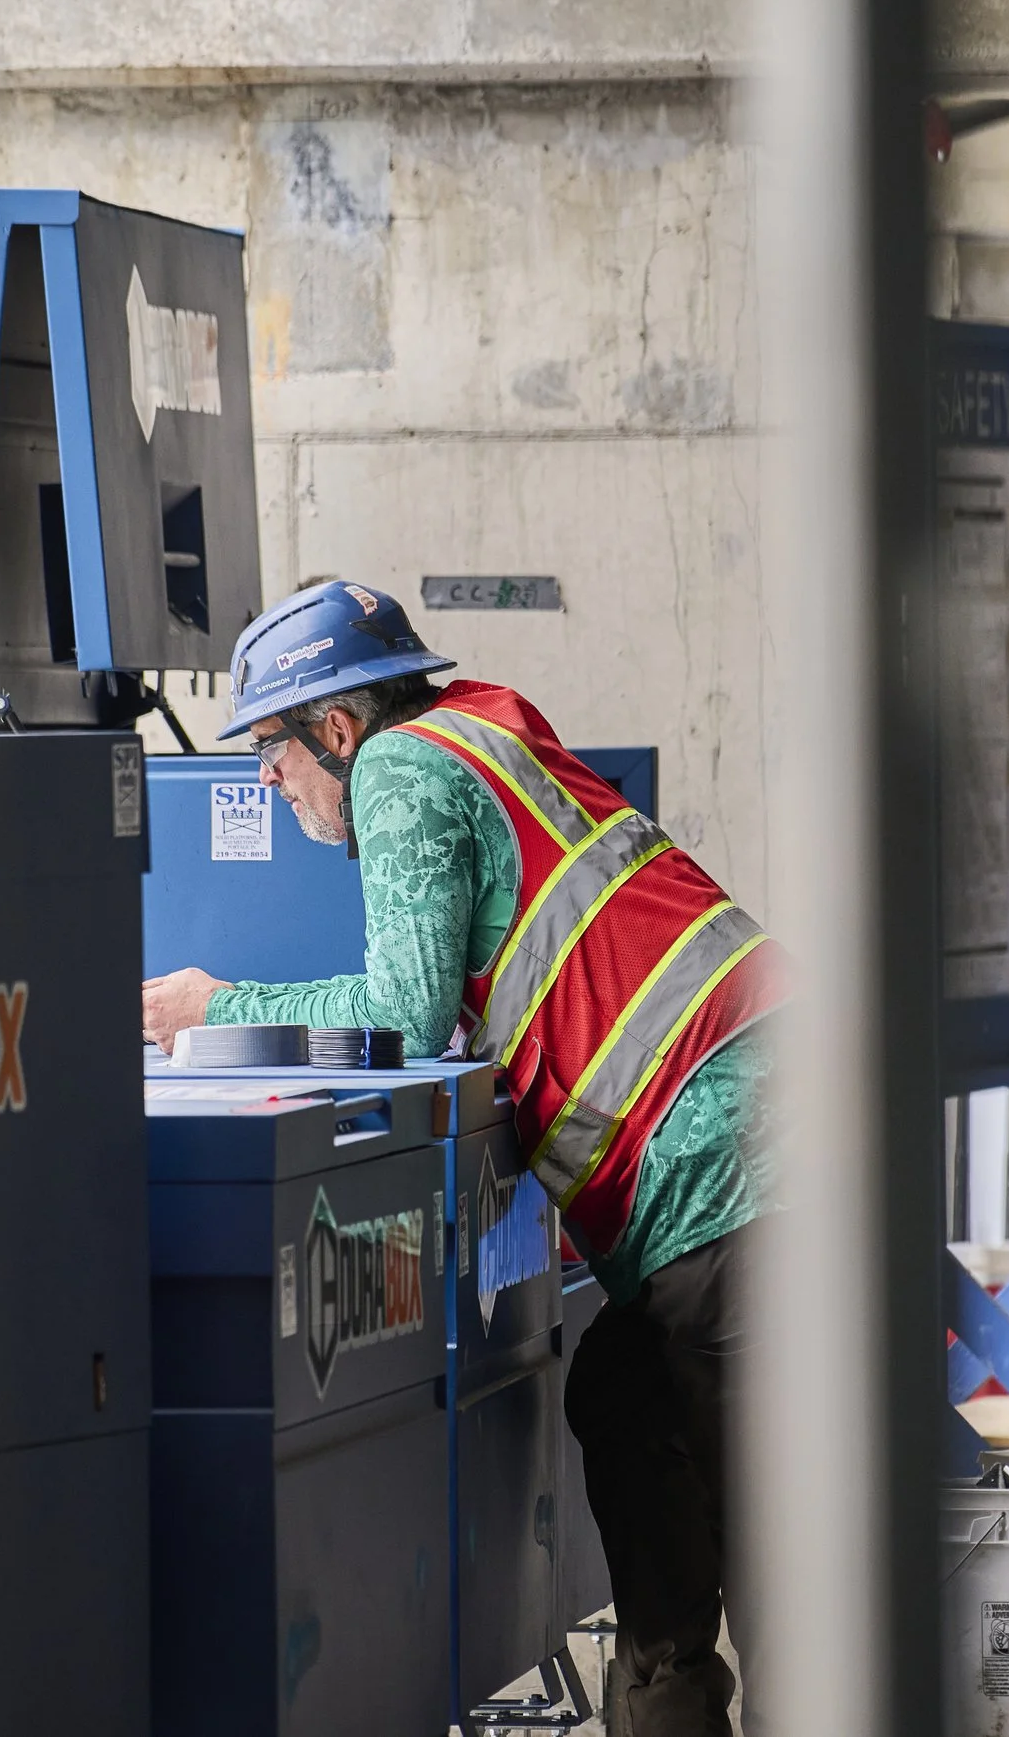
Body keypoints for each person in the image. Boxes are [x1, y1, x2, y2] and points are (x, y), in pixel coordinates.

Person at [141, 579, 789, 1737]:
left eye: (271, 749)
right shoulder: (484, 717)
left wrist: (211, 1005)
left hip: (728, 1164)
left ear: (334, 729)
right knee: (624, 1390)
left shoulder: (396, 770)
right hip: (763, 1113)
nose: (260, 778)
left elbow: (406, 1005)